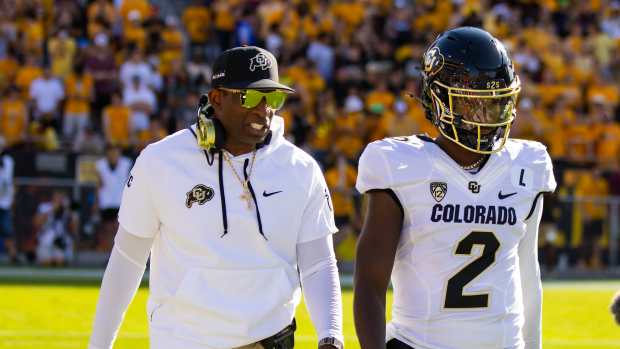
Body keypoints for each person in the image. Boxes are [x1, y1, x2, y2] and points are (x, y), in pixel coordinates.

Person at [89, 46, 344, 349]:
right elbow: (127, 259)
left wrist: (331, 337)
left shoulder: (301, 169)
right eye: (250, 97)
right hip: (184, 340)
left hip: (270, 340)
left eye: (273, 97)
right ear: (217, 99)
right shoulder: (160, 161)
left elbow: (319, 264)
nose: (264, 109)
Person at [354, 27, 556, 349]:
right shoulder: (399, 164)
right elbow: (369, 284)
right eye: (472, 104)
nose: (487, 117)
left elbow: (527, 276)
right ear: (438, 99)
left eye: (496, 104)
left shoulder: (527, 163)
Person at [94, 143, 132, 251]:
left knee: (119, 230)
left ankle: (120, 254)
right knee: (107, 230)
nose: (113, 154)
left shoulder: (126, 164)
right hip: (106, 202)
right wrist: (96, 202)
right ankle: (110, 254)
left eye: (115, 151)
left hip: (121, 202)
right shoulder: (100, 166)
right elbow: (99, 185)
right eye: (111, 151)